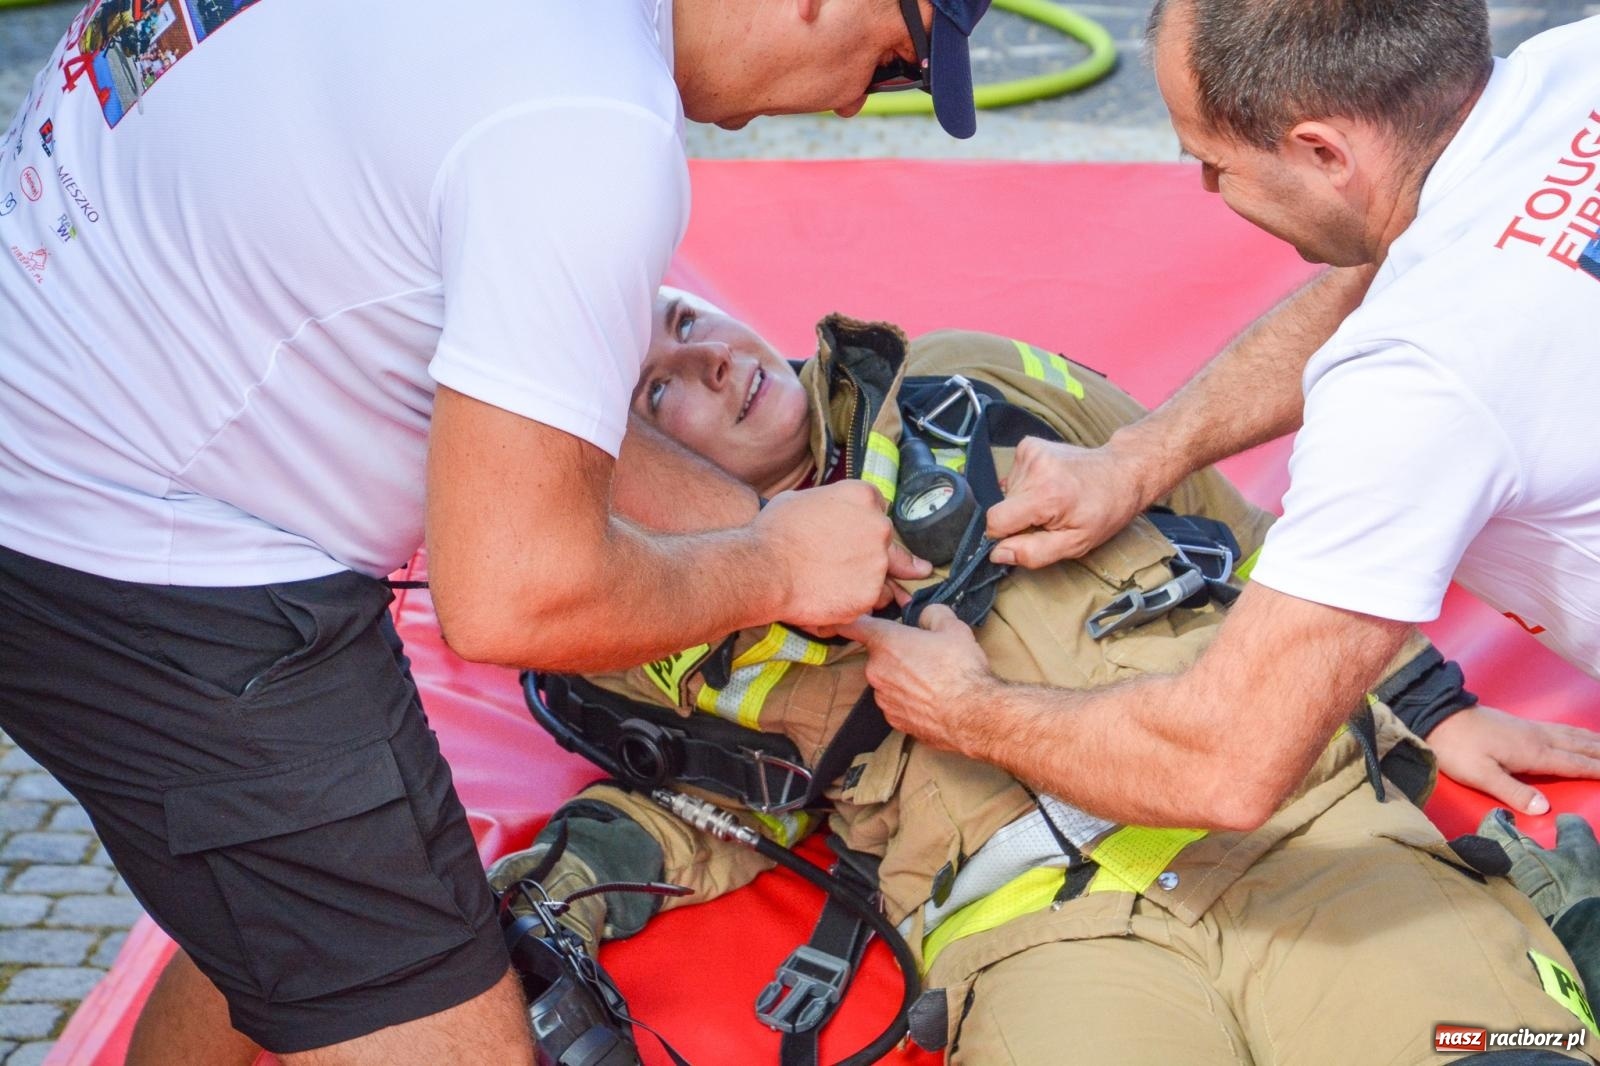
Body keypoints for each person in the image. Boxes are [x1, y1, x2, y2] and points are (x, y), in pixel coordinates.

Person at [0, 1, 994, 1064]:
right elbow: (517, 592)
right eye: (896, 65)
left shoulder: (530, 65)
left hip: (64, 388)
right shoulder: (585, 117)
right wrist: (776, 564)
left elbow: (503, 376)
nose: (852, 101)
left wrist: (768, 537)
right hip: (141, 548)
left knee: (281, 909)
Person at [491, 292, 1598, 1064]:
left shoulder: (966, 380)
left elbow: (1233, 526)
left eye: (687, 322)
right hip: (1044, 933)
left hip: (1310, 835)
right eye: (654, 395)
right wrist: (540, 898)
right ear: (612, 465)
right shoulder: (661, 621)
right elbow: (700, 805)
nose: (713, 360)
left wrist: (1424, 704)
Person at [842, 0, 1600, 847]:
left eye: (1211, 161)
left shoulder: (1415, 391)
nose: (1204, 188)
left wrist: (965, 709)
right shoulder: (1578, 62)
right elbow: (1415, 272)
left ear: (1323, 151)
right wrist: (1142, 455)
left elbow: (1224, 762)